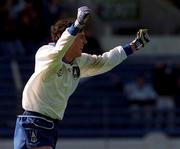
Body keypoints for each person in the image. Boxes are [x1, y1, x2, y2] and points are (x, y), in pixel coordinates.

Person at [13, 6, 150, 149]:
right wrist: (77, 24)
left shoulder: (79, 61)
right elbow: (59, 50)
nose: (85, 41)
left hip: (50, 125)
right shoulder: (45, 53)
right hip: (34, 121)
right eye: (81, 36)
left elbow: (105, 61)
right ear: (67, 37)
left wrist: (134, 46)